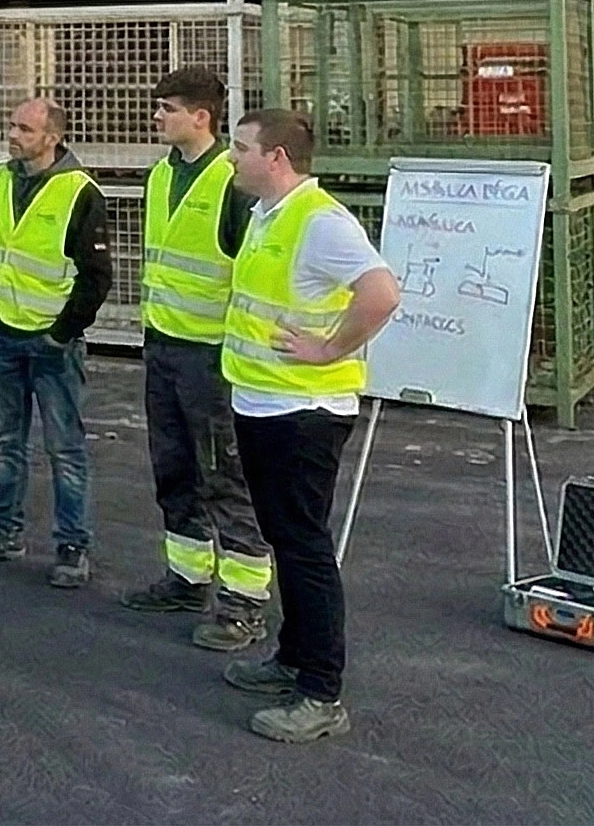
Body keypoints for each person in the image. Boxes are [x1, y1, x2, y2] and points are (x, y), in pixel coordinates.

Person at [218, 109, 401, 744]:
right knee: (286, 538)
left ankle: (321, 692)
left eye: (241, 147)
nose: (231, 157)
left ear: (276, 158)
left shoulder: (320, 222)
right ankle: (293, 658)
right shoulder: (267, 214)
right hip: (264, 403)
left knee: (303, 547)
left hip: (303, 413)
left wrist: (328, 349)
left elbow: (381, 293)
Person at [118, 68, 272, 652]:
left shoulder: (231, 182)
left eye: (168, 108)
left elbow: (252, 271)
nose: (157, 117)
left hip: (211, 356)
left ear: (201, 117)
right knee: (175, 468)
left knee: (225, 476)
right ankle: (187, 577)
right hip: (164, 346)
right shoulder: (162, 175)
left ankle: (244, 602)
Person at [0, 96, 109, 588]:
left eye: (24, 128)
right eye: (13, 125)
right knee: (5, 442)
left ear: (52, 138)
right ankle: (2, 532)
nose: (13, 135)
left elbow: (96, 276)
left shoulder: (78, 192)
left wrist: (62, 332)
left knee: (65, 448)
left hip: (49, 340)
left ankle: (72, 546)